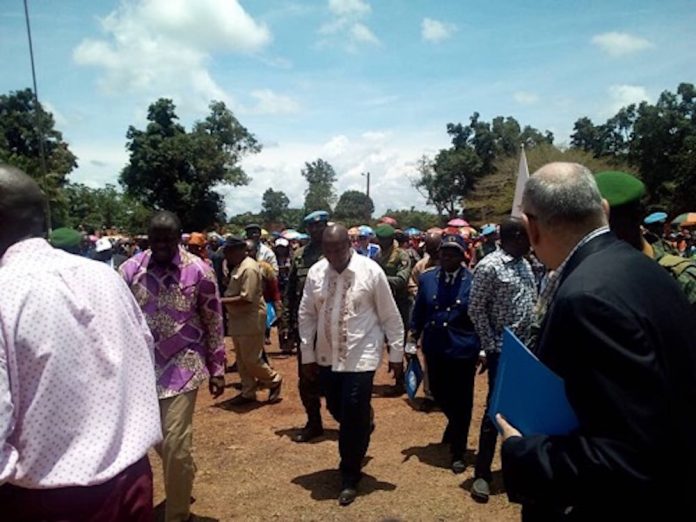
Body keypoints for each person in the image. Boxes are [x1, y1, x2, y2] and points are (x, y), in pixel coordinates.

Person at [497, 162, 696, 520]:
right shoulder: (645, 269)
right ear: (602, 209)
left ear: (531, 228)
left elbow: (628, 458)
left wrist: (522, 450)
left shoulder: (587, 297)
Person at [0, 165, 161, 521]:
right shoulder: (106, 278)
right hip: (131, 484)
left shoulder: (4, 293)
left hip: (44, 501)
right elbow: (143, 356)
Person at [120, 211, 226, 522]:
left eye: (168, 238)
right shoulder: (129, 271)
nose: (163, 244)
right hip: (142, 367)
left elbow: (213, 321)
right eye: (156, 239)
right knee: (156, 437)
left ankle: (178, 515)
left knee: (176, 439)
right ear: (147, 239)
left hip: (184, 364)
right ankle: (184, 471)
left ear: (179, 236)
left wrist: (217, 368)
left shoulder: (200, 272)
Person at [298, 224, 405, 505]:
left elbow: (390, 315)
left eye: (338, 248)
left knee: (352, 411)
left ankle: (349, 474)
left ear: (350, 244)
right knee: (336, 406)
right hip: (327, 355)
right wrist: (307, 354)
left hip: (362, 354)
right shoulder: (316, 273)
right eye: (328, 249)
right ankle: (361, 423)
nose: (333, 254)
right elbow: (306, 314)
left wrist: (396, 354)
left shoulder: (371, 271)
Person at [468, 218, 537, 502]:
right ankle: (482, 473)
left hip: (529, 350)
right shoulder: (489, 266)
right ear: (516, 236)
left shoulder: (525, 263)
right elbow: (476, 309)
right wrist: (492, 345)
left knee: (524, 412)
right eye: (528, 236)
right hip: (503, 351)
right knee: (495, 412)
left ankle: (518, 470)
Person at [408, 234, 481, 474]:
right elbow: (419, 310)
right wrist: (412, 336)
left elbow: (480, 316)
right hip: (435, 346)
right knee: (438, 392)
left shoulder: (473, 280)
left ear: (462, 256)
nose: (447, 257)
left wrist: (481, 347)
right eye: (444, 252)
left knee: (463, 399)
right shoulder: (428, 279)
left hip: (463, 349)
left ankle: (458, 451)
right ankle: (455, 422)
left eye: (453, 253)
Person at [595, 170, 696, 311]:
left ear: (638, 216)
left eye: (617, 222)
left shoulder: (679, 277)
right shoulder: (589, 281)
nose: (609, 233)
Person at [280, 210, 329, 443]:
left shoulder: (338, 251)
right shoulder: (300, 256)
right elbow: (290, 293)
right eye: (312, 227)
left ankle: (357, 419)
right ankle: (314, 423)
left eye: (321, 226)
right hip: (307, 329)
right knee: (307, 379)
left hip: (333, 328)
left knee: (340, 377)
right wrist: (287, 325)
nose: (316, 230)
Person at [221, 236, 282, 404]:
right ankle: (248, 392)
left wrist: (220, 301)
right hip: (239, 319)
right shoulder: (239, 267)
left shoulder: (249, 268)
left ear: (239, 250)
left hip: (250, 318)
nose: (226, 255)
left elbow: (246, 298)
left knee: (251, 359)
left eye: (229, 251)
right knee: (241, 359)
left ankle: (274, 380)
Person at [406, 230, 442, 410]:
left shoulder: (450, 262)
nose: (433, 251)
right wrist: (421, 294)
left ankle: (445, 394)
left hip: (447, 320)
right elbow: (411, 283)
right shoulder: (421, 266)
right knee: (429, 358)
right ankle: (429, 395)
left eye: (435, 248)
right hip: (428, 319)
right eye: (429, 248)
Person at [375, 223, 411, 393]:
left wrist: (380, 279)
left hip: (401, 302)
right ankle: (399, 378)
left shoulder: (401, 255)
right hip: (383, 302)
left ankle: (406, 380)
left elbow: (402, 279)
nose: (381, 242)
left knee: (401, 343)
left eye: (384, 239)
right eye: (379, 239)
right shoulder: (377, 255)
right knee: (389, 342)